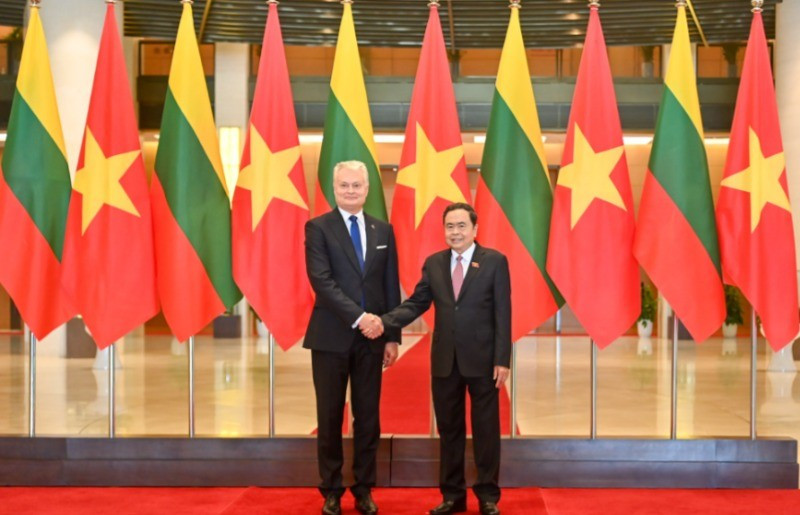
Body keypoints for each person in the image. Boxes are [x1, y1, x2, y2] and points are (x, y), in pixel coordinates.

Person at [364, 202, 510, 515]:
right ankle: (453, 496)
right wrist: (383, 322)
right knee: (449, 431)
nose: (455, 232)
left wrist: (503, 358)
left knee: (486, 431)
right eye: (450, 226)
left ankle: (488, 496)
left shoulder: (495, 261)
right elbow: (416, 304)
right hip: (445, 361)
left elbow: (503, 312)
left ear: (475, 229)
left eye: (461, 226)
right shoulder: (434, 264)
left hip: (484, 361)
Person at [304, 160, 401, 515]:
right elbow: (322, 281)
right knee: (330, 417)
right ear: (334, 188)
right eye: (344, 185)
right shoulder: (318, 228)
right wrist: (361, 319)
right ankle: (331, 490)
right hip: (330, 337)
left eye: (356, 185)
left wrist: (391, 335)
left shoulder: (383, 230)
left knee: (368, 417)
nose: (350, 190)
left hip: (373, 340)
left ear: (367, 189)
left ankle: (363, 488)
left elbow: (389, 284)